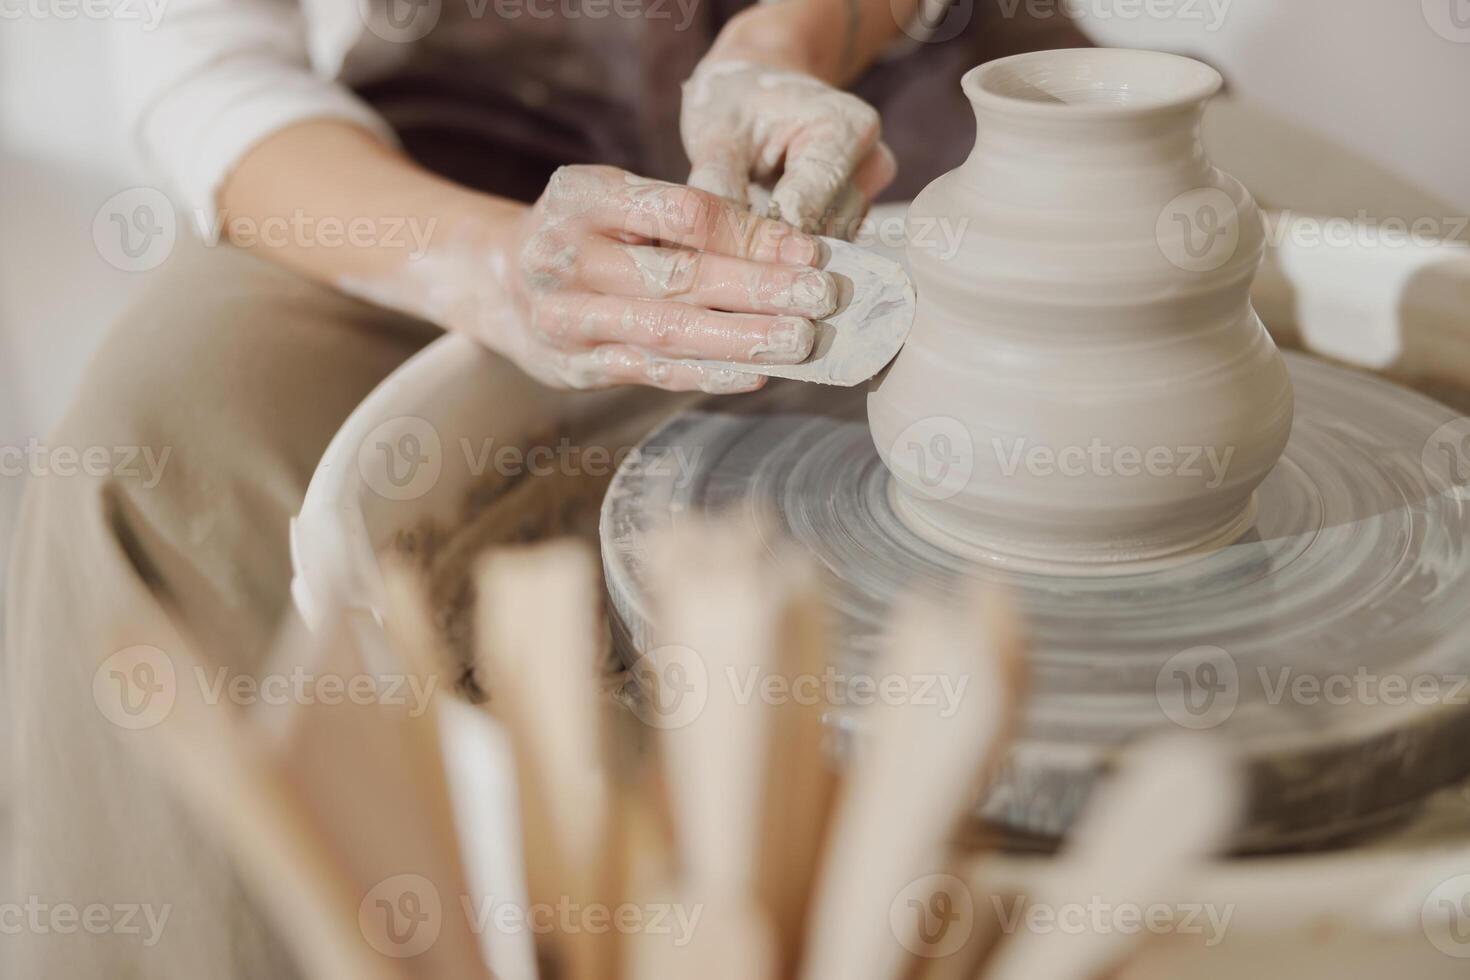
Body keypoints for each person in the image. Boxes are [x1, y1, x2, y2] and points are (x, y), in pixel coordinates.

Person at [4, 0, 1085, 974]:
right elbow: (200, 58)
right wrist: (489, 267)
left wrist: (785, 40)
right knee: (155, 458)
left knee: (1113, 332)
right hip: (452, 151)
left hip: (881, 96)